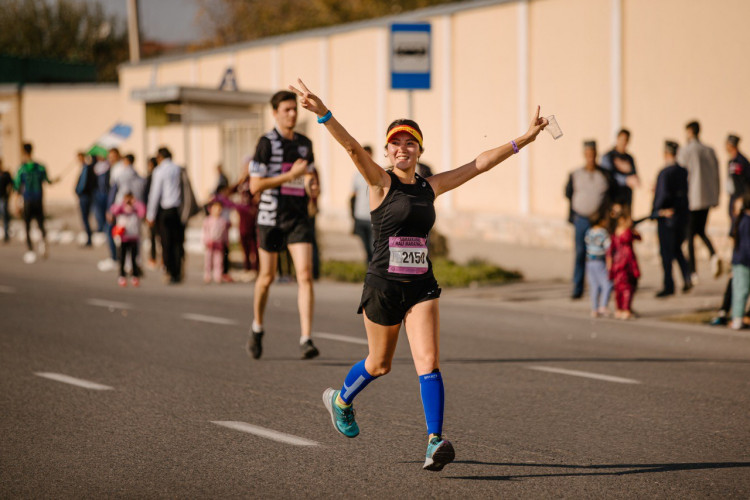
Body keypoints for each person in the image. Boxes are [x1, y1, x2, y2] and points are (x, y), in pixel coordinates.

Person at [289, 78, 548, 471]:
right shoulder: (380, 182)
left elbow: (479, 164)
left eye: (410, 142)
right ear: (389, 150)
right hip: (383, 286)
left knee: (428, 361)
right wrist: (323, 112)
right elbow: (351, 148)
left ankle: (434, 441)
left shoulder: (430, 187)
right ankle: (341, 400)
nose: (402, 148)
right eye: (396, 142)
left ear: (419, 150)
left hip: (422, 286)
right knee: (380, 364)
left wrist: (524, 140)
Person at [247, 90, 321, 360]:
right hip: (271, 218)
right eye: (287, 109)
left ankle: (306, 338)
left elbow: (310, 175)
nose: (292, 113)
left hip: (298, 217)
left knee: (304, 274)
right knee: (266, 278)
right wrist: (289, 175)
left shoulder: (305, 143)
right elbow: (255, 185)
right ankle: (257, 327)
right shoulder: (266, 143)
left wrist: (312, 186)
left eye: (294, 109)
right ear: (275, 112)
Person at [565, 140, 615, 299]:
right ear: (584, 155)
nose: (590, 158)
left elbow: (614, 193)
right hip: (581, 219)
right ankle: (578, 287)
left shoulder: (604, 174)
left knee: (601, 254)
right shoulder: (576, 174)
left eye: (593, 154)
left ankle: (603, 286)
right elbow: (568, 193)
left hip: (599, 221)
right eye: (588, 155)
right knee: (580, 253)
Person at [677, 120, 721, 280]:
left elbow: (681, 174)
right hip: (707, 198)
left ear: (689, 132)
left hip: (692, 199)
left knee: (690, 235)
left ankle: (692, 271)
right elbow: (716, 175)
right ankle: (713, 254)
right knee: (701, 230)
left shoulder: (687, 150)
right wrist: (716, 196)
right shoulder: (709, 150)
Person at [653, 140, 692, 297]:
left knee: (666, 253)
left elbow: (662, 194)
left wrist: (656, 210)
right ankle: (687, 277)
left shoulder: (665, 173)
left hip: (667, 218)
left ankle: (669, 284)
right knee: (677, 249)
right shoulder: (683, 171)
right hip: (681, 216)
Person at [13, 142, 57, 261]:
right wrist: (55, 181)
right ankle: (43, 243)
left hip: (27, 200)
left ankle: (30, 250)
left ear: (23, 152)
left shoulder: (22, 169)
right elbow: (48, 181)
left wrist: (16, 204)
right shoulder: (40, 167)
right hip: (38, 200)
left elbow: (17, 187)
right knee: (40, 224)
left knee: (27, 226)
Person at [147, 147, 184, 284]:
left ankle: (169, 270)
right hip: (178, 210)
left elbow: (155, 193)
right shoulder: (178, 168)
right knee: (177, 242)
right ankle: (178, 271)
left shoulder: (159, 170)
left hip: (165, 210)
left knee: (166, 242)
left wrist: (150, 215)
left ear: (160, 157)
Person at [609, 206, 641, 319]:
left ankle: (619, 308)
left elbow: (610, 251)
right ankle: (626, 309)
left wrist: (610, 264)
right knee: (628, 287)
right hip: (627, 261)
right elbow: (640, 238)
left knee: (619, 287)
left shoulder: (615, 232)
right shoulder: (627, 232)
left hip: (617, 262)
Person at [109, 189, 145, 287]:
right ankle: (122, 276)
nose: (129, 200)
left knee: (134, 258)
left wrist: (135, 203)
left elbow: (142, 212)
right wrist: (123, 203)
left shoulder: (135, 209)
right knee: (122, 258)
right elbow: (113, 210)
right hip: (123, 238)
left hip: (133, 237)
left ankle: (135, 276)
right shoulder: (121, 209)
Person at [231, 164, 260, 280]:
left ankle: (255, 268)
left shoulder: (254, 180)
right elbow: (231, 190)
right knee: (243, 240)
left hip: (252, 214)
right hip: (242, 215)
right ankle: (247, 267)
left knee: (253, 241)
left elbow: (257, 194)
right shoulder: (241, 182)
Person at [600, 128, 640, 208]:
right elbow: (607, 176)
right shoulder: (608, 157)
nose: (623, 142)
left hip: (626, 199)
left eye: (626, 140)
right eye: (622, 139)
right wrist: (625, 180)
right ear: (617, 139)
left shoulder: (629, 158)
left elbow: (634, 175)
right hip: (613, 200)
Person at [584, 211, 612, 318]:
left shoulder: (589, 232)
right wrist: (609, 262)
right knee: (607, 283)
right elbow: (608, 248)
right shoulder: (603, 232)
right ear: (601, 221)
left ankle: (594, 308)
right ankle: (603, 305)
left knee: (594, 285)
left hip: (589, 261)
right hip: (599, 260)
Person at [729, 192, 750, 330]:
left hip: (740, 259)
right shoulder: (747, 221)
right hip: (744, 261)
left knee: (739, 289)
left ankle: (737, 317)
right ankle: (737, 318)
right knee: (741, 290)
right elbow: (747, 244)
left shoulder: (741, 219)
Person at [351, 145, 375, 263]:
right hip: (360, 216)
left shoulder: (377, 173)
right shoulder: (357, 175)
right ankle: (369, 271)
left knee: (374, 247)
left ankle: (375, 271)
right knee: (366, 248)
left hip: (373, 217)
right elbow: (353, 196)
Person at [202, 200, 230, 284]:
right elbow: (204, 232)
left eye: (219, 208)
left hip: (219, 243)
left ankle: (218, 275)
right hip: (210, 243)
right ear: (210, 209)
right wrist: (205, 241)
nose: (218, 210)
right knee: (208, 260)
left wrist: (226, 241)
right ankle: (207, 275)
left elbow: (225, 233)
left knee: (218, 261)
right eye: (215, 208)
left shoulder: (223, 221)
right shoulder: (207, 220)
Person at [74, 152, 97, 247]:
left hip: (85, 196)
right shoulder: (84, 168)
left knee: (85, 218)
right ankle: (88, 237)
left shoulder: (87, 169)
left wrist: (78, 191)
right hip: (85, 196)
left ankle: (89, 238)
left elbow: (83, 185)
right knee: (84, 218)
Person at [726, 134, 750, 218]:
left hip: (740, 196)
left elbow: (746, 180)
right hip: (733, 196)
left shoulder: (741, 161)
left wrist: (743, 197)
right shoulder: (731, 161)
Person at [143, 157, 160, 269]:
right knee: (155, 237)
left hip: (154, 211)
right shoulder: (151, 177)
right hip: (156, 211)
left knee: (155, 236)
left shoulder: (154, 177)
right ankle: (155, 258)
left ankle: (155, 258)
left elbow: (149, 197)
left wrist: (148, 214)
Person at [0, 157, 13, 242]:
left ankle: (6, 234)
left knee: (5, 216)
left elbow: (11, 185)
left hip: (3, 198)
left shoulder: (5, 174)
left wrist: (9, 194)